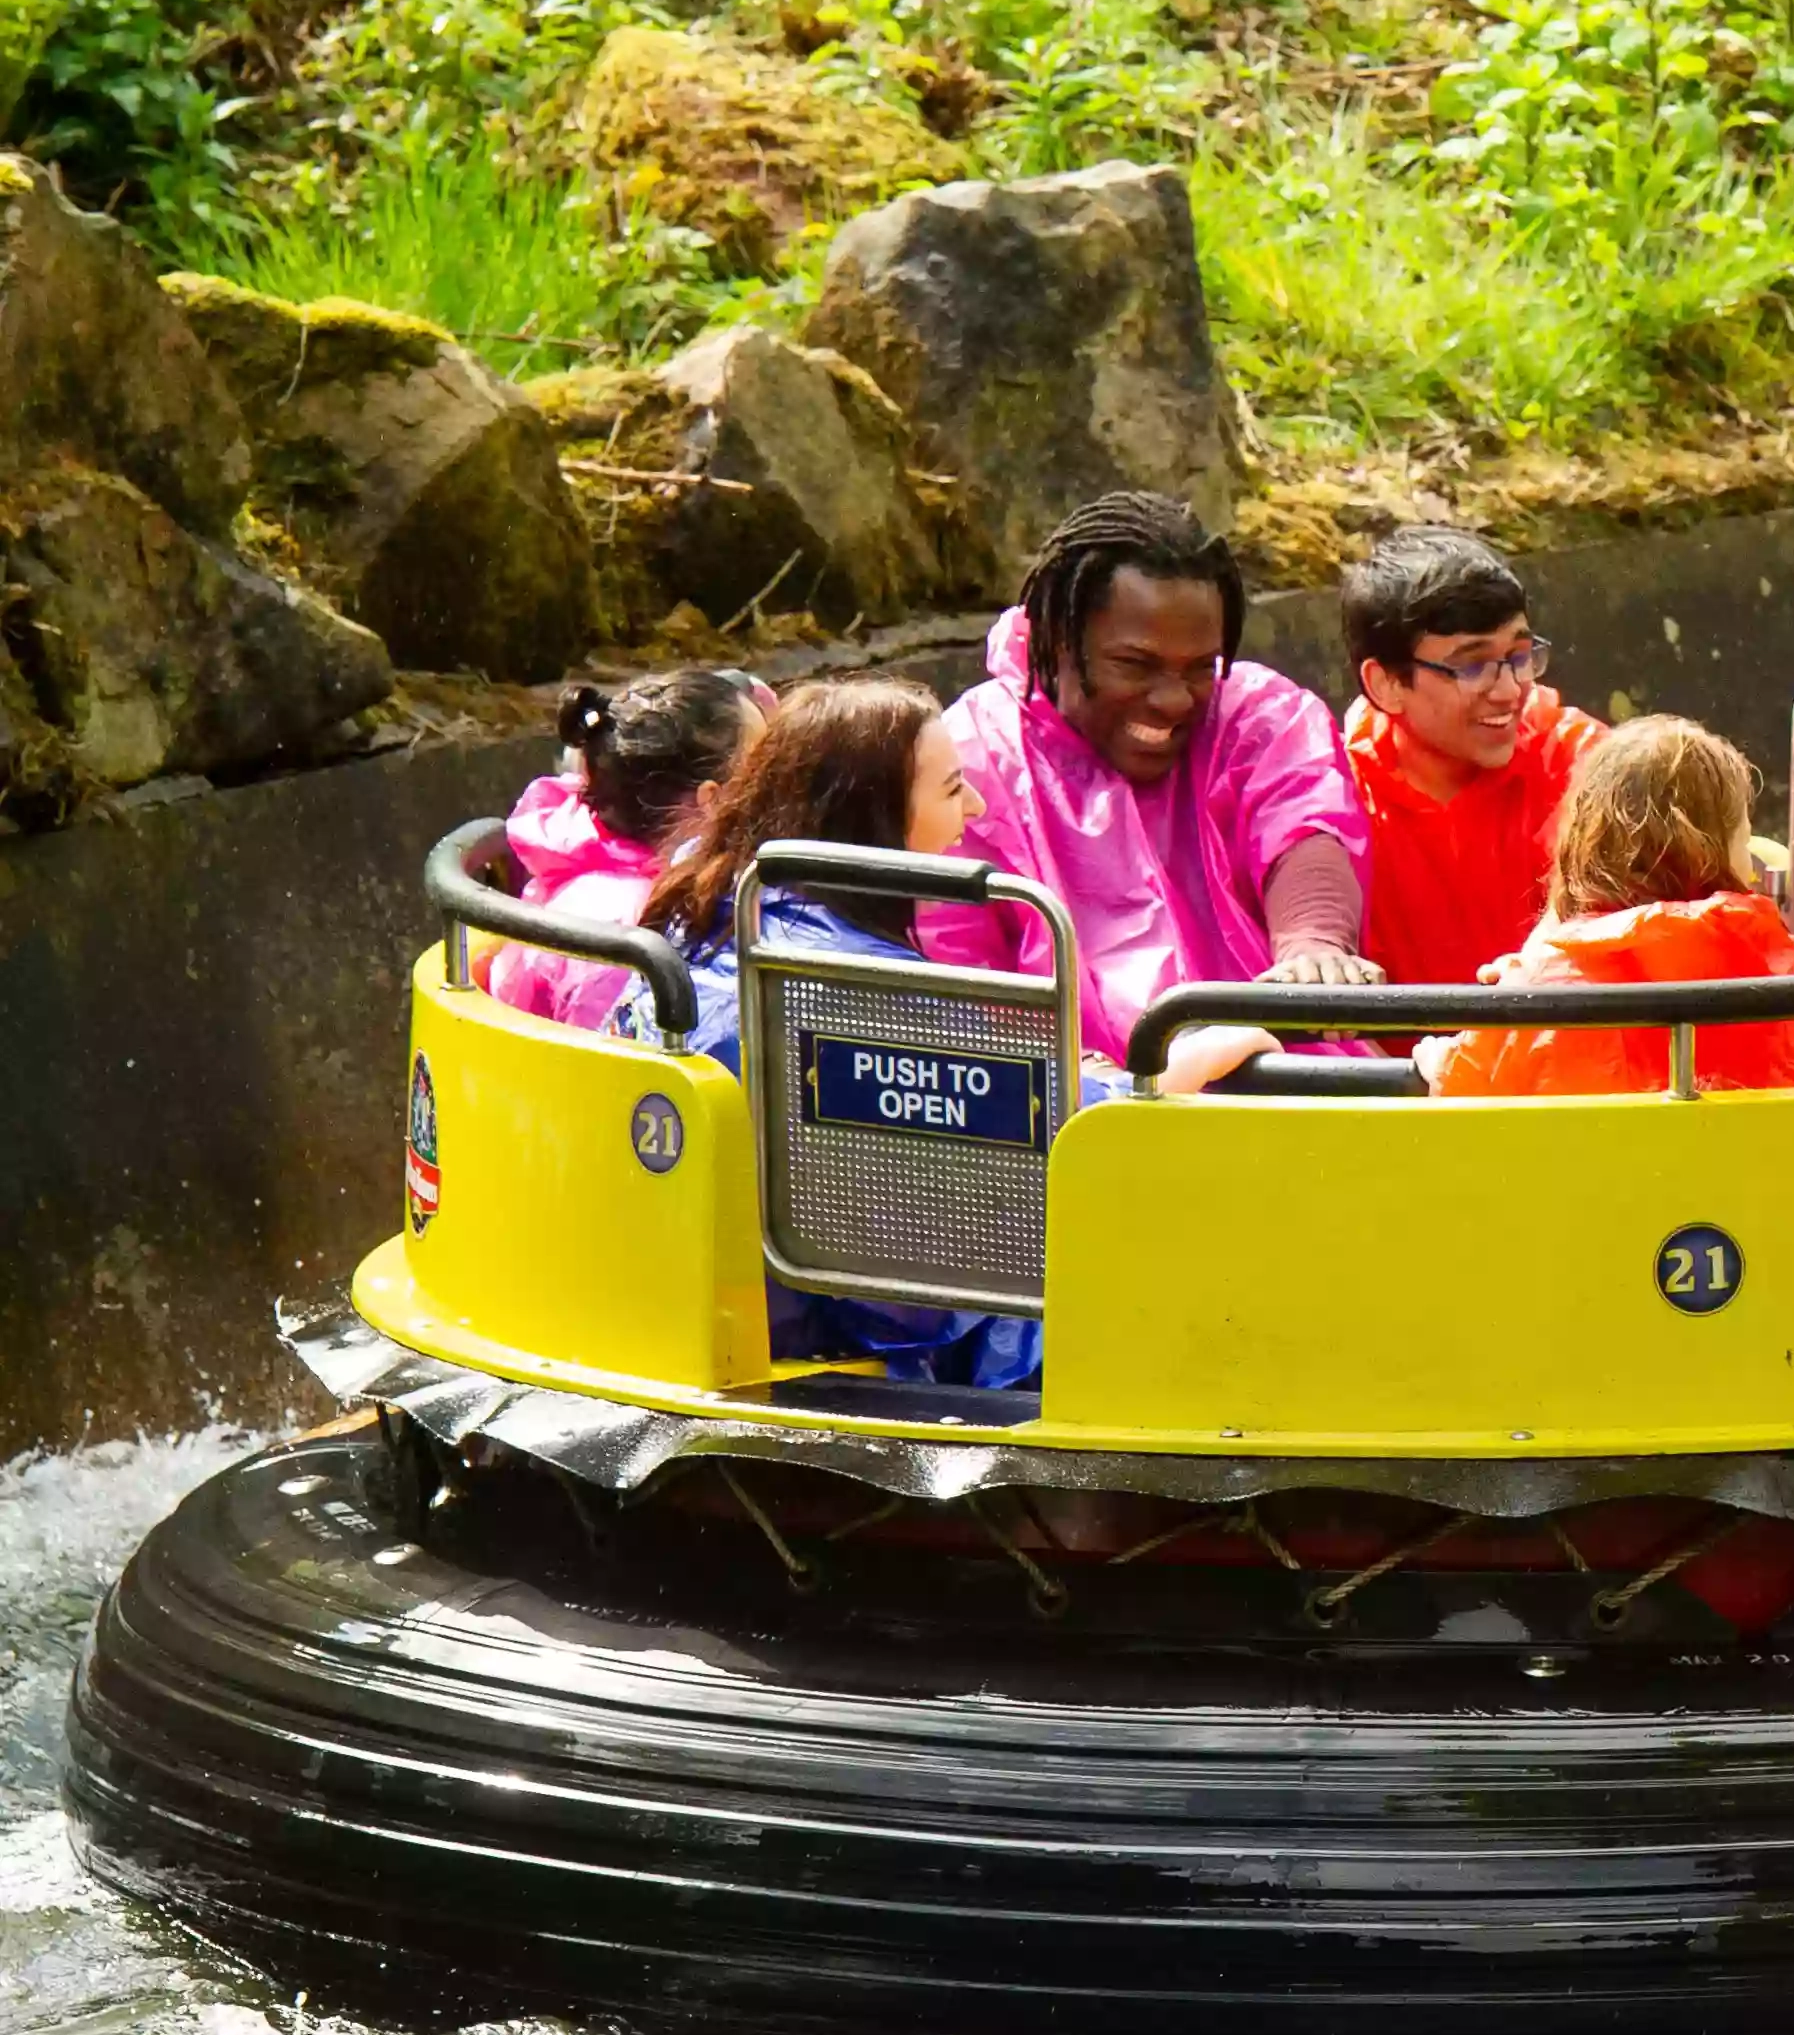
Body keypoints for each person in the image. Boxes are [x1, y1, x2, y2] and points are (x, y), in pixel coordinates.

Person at [613, 675, 1269, 1387]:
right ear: (876, 815)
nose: (978, 806)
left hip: (701, 1281)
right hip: (852, 1319)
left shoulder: (698, 912)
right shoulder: (862, 989)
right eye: (954, 789)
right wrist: (1171, 1067)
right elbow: (1043, 1128)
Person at [915, 493, 1378, 1064]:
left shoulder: (1258, 713)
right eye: (1135, 666)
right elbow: (953, 960)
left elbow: (1305, 821)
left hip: (1280, 1080)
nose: (1173, 699)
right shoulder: (970, 754)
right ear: (1062, 638)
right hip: (1078, 1112)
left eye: (1198, 668)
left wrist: (1314, 944)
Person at [1424, 716, 1794, 1099]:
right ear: (1719, 853)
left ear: (1584, 844)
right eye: (1743, 838)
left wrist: (1441, 1065)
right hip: (1759, 1195)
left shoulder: (1536, 992)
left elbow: (1467, 1100)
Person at [1341, 526, 1606, 996]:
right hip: (1393, 1070)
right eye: (1471, 666)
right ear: (1385, 684)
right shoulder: (1333, 797)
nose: (1509, 692)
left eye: (1519, 656)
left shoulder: (1578, 759)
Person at [482, 668, 772, 1029]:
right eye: (762, 773)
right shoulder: (637, 931)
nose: (774, 791)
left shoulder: (580, 857)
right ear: (712, 799)